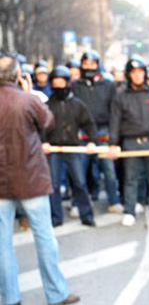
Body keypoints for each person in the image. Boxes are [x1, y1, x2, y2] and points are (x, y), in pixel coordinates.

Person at [0, 54, 80, 305]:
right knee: (45, 238)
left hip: (1, 182)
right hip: (31, 177)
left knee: (2, 245)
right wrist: (31, 92)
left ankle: (10, 298)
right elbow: (48, 121)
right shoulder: (27, 100)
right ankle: (56, 294)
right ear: (18, 75)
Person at [108, 55, 149, 227]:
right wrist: (113, 144)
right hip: (130, 143)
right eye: (134, 72)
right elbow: (115, 121)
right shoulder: (121, 97)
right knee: (130, 179)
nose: (138, 76)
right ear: (129, 75)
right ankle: (129, 210)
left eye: (141, 72)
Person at [43, 66, 97, 227]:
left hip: (73, 149)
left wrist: (92, 141)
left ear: (67, 83)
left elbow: (89, 124)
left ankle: (86, 215)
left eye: (62, 82)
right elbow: (40, 127)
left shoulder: (77, 104)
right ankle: (56, 217)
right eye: (56, 82)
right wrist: (43, 142)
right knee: (53, 185)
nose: (59, 86)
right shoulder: (47, 106)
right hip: (54, 150)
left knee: (80, 182)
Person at [72, 50, 123, 213]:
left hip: (103, 131)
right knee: (79, 171)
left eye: (92, 63)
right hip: (82, 132)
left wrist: (113, 135)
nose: (89, 67)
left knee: (108, 170)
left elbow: (114, 111)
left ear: (97, 64)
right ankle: (77, 203)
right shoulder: (75, 86)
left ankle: (114, 200)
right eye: (85, 64)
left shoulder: (109, 85)